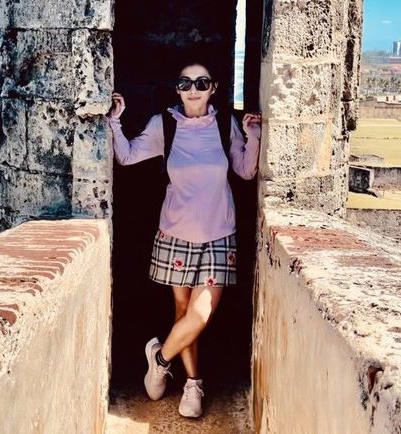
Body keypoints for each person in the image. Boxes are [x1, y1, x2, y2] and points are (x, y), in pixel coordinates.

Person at [107, 61, 261, 418]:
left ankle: (159, 359)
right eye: (186, 83)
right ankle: (193, 384)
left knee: (200, 313)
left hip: (219, 234)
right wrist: (114, 122)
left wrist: (253, 135)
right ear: (177, 88)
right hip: (175, 233)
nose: (194, 89)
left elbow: (245, 170)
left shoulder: (225, 124)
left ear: (214, 88)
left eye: (202, 83)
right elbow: (126, 156)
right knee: (183, 313)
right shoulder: (164, 125)